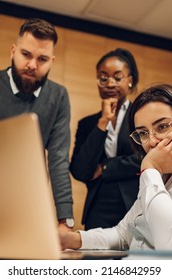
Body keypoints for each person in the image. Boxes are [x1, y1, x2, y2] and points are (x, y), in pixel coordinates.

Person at [60, 83, 172, 250]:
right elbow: (123, 234)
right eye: (143, 133)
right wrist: (72, 239)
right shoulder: (158, 179)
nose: (152, 142)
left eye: (162, 126)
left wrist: (150, 169)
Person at [0, 18, 74, 231]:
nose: (32, 65)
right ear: (13, 51)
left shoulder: (59, 97)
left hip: (26, 207)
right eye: (26, 54)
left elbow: (58, 160)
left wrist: (65, 220)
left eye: (42, 59)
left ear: (52, 61)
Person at [70, 48, 141, 230]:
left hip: (135, 204)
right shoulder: (87, 124)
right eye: (103, 78)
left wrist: (105, 168)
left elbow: (146, 157)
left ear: (130, 81)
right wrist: (102, 123)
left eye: (117, 78)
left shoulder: (141, 116)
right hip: (97, 208)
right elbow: (79, 170)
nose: (110, 83)